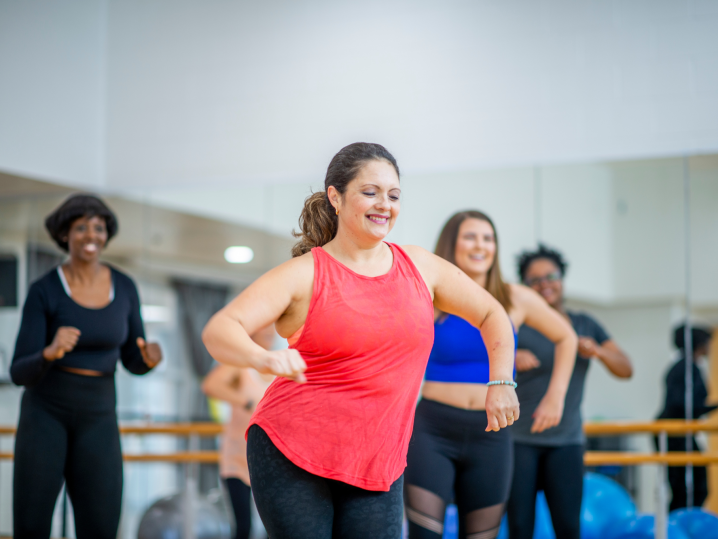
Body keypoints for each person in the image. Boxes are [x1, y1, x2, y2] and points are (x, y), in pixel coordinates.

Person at [202, 142, 519, 539]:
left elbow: (493, 314)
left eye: (394, 194)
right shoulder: (305, 274)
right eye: (370, 192)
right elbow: (220, 328)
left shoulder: (420, 267)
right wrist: (263, 358)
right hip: (291, 451)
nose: (384, 204)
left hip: (378, 461)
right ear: (336, 197)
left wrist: (502, 381)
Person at [404, 211, 578, 539]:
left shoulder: (514, 298)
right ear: (451, 243)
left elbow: (566, 337)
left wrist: (555, 397)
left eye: (488, 238)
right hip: (432, 430)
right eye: (470, 237)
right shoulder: (429, 294)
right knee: (423, 534)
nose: (480, 245)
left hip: (491, 433)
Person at [11, 194, 163, 539]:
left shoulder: (124, 287)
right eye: (81, 227)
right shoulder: (44, 290)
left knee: (101, 524)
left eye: (98, 227)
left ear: (106, 234)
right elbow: (19, 372)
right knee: (32, 525)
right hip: (45, 414)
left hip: (99, 415)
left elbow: (132, 359)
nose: (91, 235)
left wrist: (149, 360)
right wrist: (49, 352)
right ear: (65, 234)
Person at [507, 244, 632, 539]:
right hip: (518, 441)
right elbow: (475, 359)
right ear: (525, 286)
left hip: (566, 442)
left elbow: (626, 369)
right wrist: (509, 357)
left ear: (562, 278)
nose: (544, 284)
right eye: (534, 279)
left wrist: (599, 351)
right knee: (520, 528)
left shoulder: (583, 323)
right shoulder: (518, 323)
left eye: (551, 276)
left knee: (568, 527)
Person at [201, 324, 276, 539]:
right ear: (254, 332)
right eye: (265, 328)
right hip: (237, 459)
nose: (270, 332)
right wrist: (245, 402)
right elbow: (211, 385)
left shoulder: (278, 365)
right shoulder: (241, 364)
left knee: (273, 527)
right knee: (244, 527)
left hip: (269, 461)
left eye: (273, 328)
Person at [657, 324, 716, 511]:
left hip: (680, 433)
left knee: (697, 487)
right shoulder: (685, 368)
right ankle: (675, 527)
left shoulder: (689, 367)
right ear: (700, 344)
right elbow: (680, 404)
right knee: (685, 489)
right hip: (672, 434)